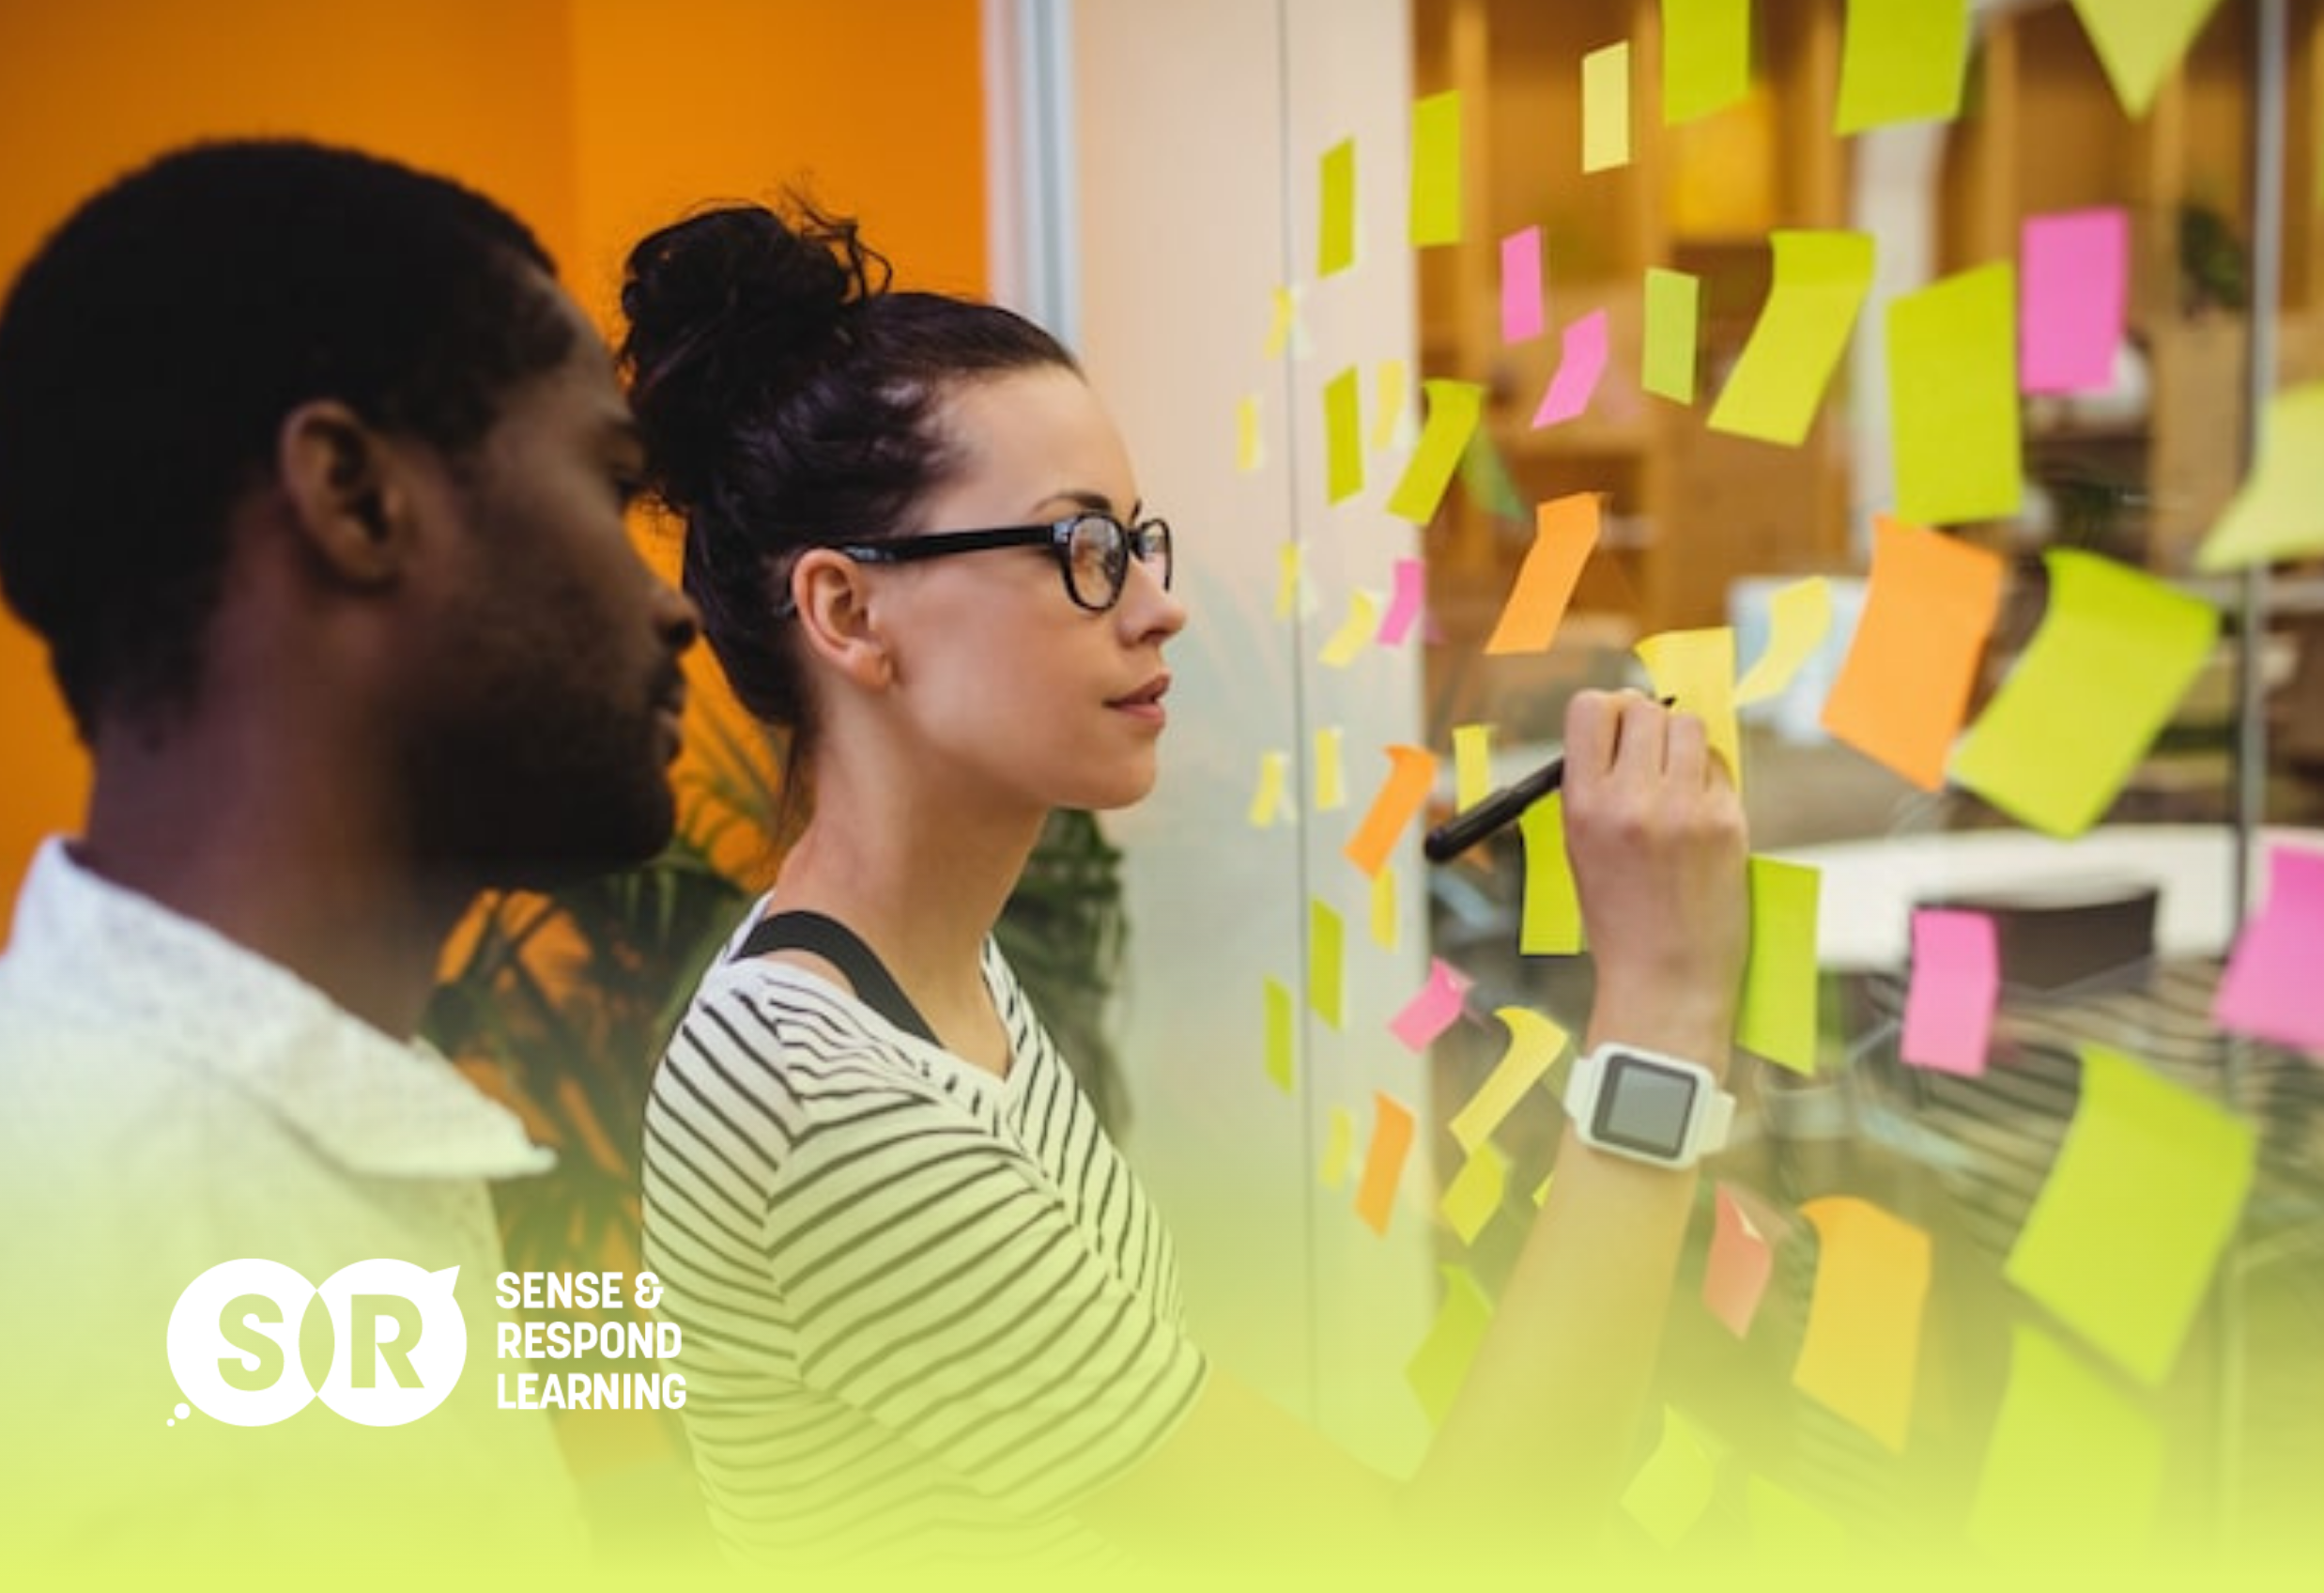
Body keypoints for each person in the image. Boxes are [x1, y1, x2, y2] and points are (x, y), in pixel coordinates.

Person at [623, 200, 1747, 1580]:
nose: (1154, 605)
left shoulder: (928, 977)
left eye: (1134, 545)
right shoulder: (827, 1103)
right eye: (1077, 551)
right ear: (850, 615)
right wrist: (1663, 1010)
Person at [0, 139, 701, 1585]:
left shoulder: (268, 1157)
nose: (670, 604)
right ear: (357, 497)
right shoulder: (124, 1300)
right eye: (613, 484)